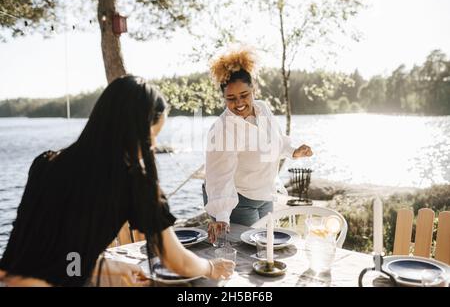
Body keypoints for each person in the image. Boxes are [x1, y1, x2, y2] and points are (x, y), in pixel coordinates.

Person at [0, 75, 234, 287]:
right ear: (136, 131)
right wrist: (211, 267)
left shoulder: (46, 163)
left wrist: (107, 267)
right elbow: (176, 260)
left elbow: (50, 250)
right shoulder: (133, 181)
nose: (152, 147)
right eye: (152, 136)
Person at [204, 48, 313, 242]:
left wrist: (293, 151)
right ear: (223, 97)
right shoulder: (222, 129)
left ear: (254, 90)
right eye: (231, 98)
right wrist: (221, 216)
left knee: (268, 248)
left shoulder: (262, 109)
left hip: (266, 195)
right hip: (239, 201)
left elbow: (276, 140)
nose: (239, 103)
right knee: (248, 252)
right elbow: (219, 175)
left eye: (244, 95)